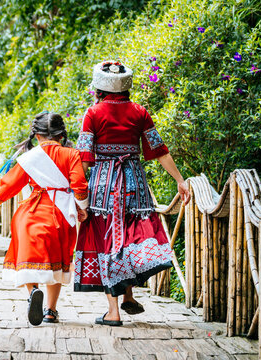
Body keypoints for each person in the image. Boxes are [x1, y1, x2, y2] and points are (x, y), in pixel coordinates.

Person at [73, 61, 190, 326]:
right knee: (128, 236)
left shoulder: (92, 113)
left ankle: (113, 312)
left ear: (99, 87)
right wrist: (180, 180)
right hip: (134, 184)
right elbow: (159, 150)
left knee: (107, 240)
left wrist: (79, 195)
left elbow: (83, 158)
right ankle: (127, 296)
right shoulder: (140, 112)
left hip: (104, 186)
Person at [0, 112, 89, 326]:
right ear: (61, 134)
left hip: (31, 213)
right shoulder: (71, 154)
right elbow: (79, 185)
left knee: (27, 258)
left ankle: (33, 293)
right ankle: (50, 311)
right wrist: (82, 208)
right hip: (60, 214)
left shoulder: (29, 158)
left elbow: (11, 184)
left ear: (37, 135)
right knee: (56, 263)